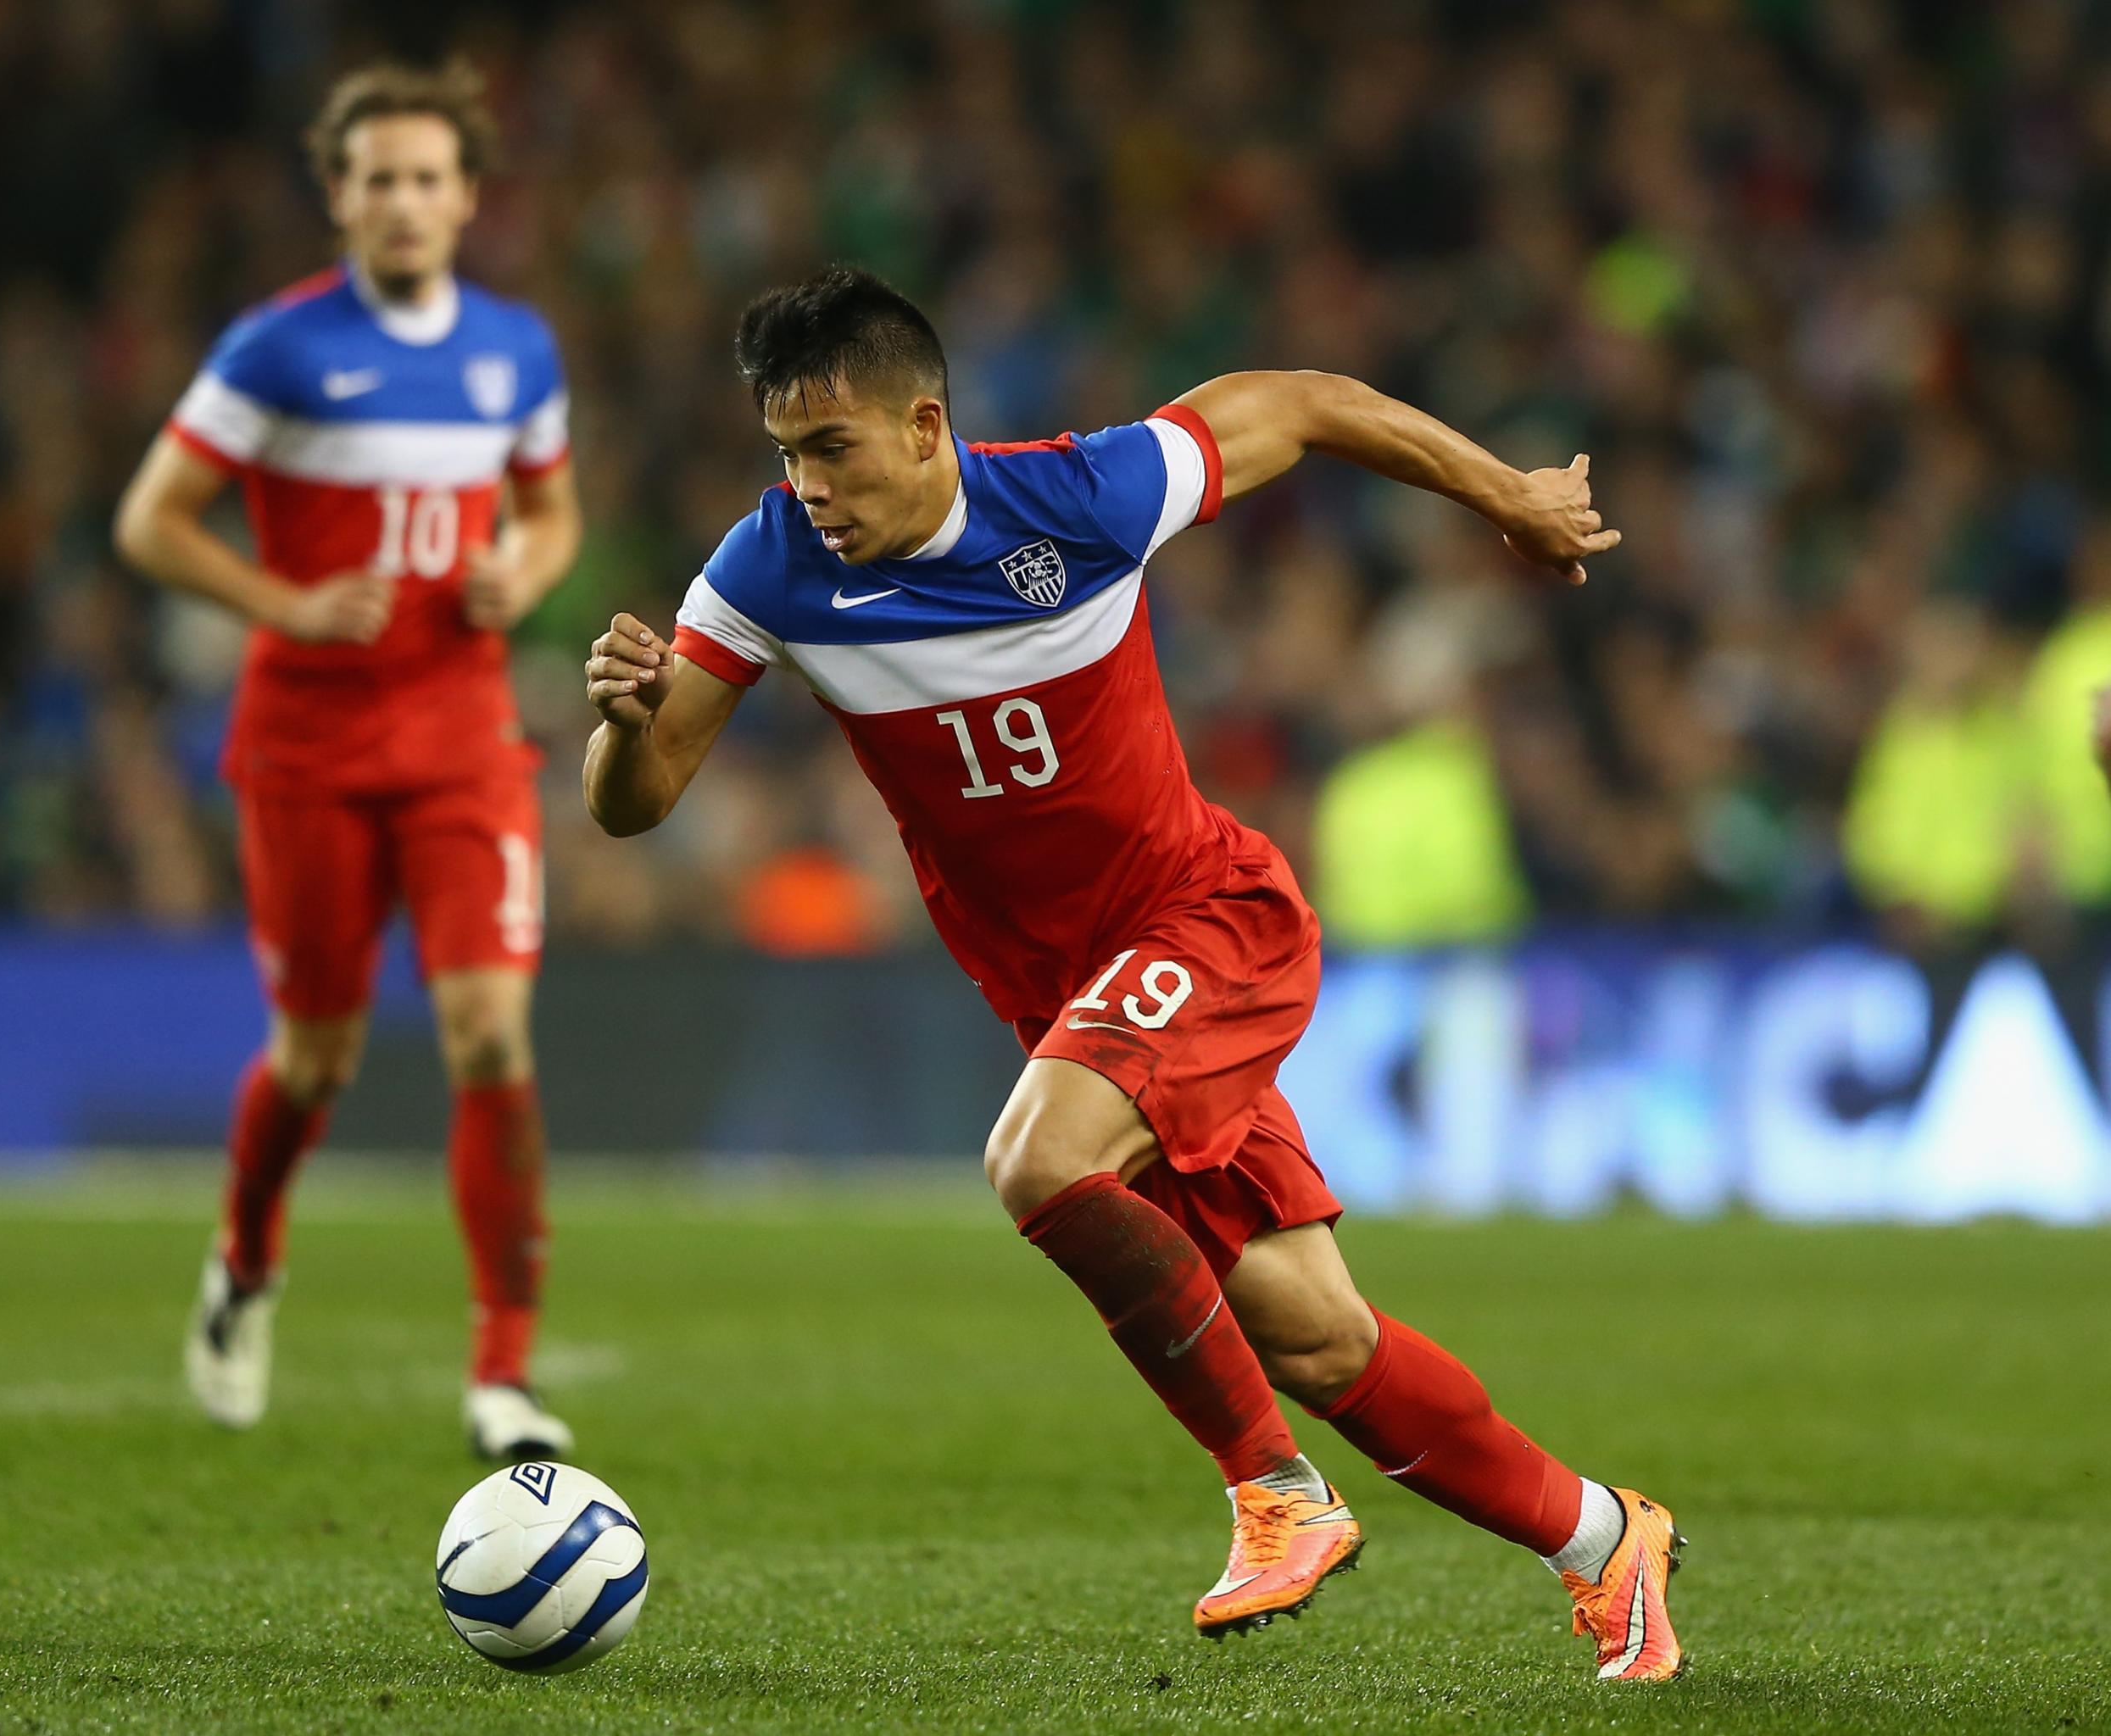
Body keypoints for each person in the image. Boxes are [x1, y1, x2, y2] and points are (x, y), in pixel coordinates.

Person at [581, 267, 1683, 1680]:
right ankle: (1606, 1544)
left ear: (926, 427)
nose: (808, 485)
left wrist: (1506, 497)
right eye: (787, 453)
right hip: (1074, 1001)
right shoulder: (767, 573)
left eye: (833, 448)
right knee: (1315, 1336)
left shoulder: (1083, 499)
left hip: (1204, 922)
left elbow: (1306, 402)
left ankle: (1276, 1495)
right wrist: (617, 726)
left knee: (1036, 1163)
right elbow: (640, 797)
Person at [114, 59, 580, 1458]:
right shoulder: (276, 348)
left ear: (466, 197)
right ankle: (245, 1262)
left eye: (429, 178)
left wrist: (525, 569)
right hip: (307, 746)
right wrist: (286, 604)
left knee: (489, 1031)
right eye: (377, 178)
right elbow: (152, 521)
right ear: (339, 196)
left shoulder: (517, 349)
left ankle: (504, 1368)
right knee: (313, 1058)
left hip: (461, 738)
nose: (404, 202)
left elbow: (553, 514)